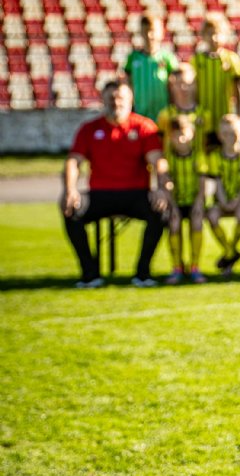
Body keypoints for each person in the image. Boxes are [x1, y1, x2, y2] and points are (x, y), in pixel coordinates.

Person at [61, 77, 170, 288]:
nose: (116, 103)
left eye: (121, 98)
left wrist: (160, 188)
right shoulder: (89, 129)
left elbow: (158, 161)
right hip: (100, 194)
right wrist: (70, 189)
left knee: (162, 210)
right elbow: (74, 161)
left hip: (136, 193)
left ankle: (143, 273)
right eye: (111, 98)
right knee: (70, 209)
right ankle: (90, 274)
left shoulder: (144, 126)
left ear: (130, 100)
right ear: (103, 100)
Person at [202, 111, 240, 275]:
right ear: (219, 135)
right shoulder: (214, 157)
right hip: (221, 200)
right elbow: (216, 182)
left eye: (233, 132)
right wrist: (223, 202)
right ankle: (230, 252)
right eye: (225, 133)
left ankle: (229, 252)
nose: (229, 136)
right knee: (212, 216)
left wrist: (236, 200)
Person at [163, 112, 207, 284]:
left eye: (183, 134)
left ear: (192, 134)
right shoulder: (168, 157)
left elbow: (202, 184)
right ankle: (177, 267)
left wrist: (199, 204)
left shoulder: (198, 156)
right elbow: (166, 182)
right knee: (174, 224)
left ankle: (195, 266)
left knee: (197, 222)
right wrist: (172, 206)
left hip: (194, 201)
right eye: (175, 135)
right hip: (176, 202)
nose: (180, 139)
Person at [192, 15, 240, 137]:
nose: (213, 38)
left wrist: (238, 114)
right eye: (209, 34)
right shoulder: (196, 60)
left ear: (225, 35)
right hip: (204, 114)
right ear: (202, 35)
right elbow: (193, 88)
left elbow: (237, 89)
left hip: (226, 114)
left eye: (217, 33)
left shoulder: (232, 58)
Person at [123, 15, 179, 124]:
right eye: (145, 31)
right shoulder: (133, 58)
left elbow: (175, 85)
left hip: (163, 116)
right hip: (140, 115)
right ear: (140, 33)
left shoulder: (168, 58)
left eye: (152, 31)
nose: (149, 35)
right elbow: (127, 83)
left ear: (161, 33)